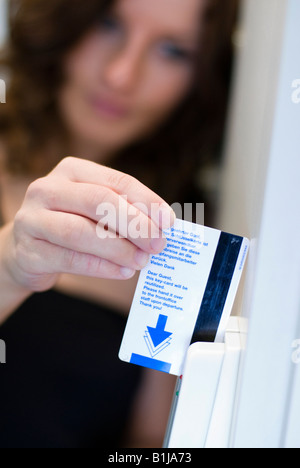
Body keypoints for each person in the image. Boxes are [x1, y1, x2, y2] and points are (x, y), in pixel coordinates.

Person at [0, 0, 238, 448]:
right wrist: (10, 262)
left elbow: (151, 445)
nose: (121, 75)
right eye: (108, 24)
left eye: (173, 51)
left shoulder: (186, 239)